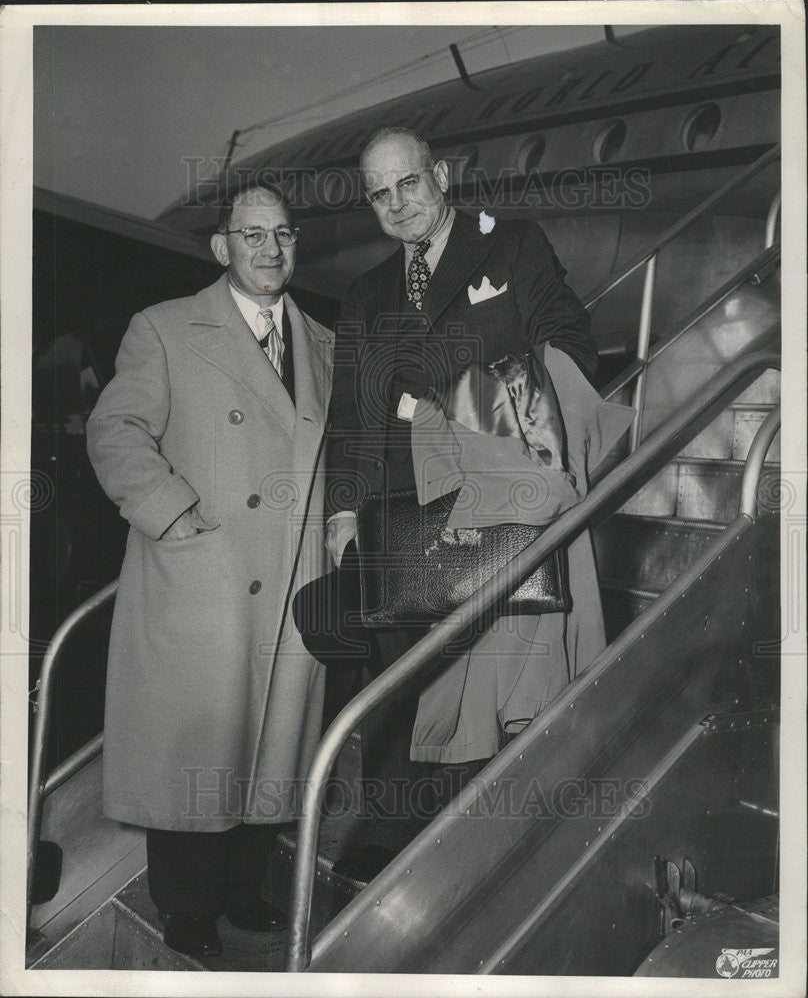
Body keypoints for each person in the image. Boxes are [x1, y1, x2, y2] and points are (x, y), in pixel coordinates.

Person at [325, 126, 603, 884]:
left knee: (492, 672)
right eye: (379, 194)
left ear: (440, 175)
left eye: (408, 183)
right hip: (396, 513)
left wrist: (460, 409)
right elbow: (350, 415)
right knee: (396, 677)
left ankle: (489, 844)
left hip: (491, 498)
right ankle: (389, 829)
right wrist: (343, 513)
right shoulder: (365, 291)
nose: (396, 204)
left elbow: (571, 347)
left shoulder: (511, 245)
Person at [86, 185, 334, 958]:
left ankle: (243, 891)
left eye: (283, 235)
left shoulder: (325, 343)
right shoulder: (164, 328)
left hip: (293, 580)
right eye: (252, 235)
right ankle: (185, 907)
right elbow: (116, 428)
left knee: (274, 744)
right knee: (195, 745)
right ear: (222, 248)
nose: (270, 249)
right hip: (205, 572)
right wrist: (167, 510)